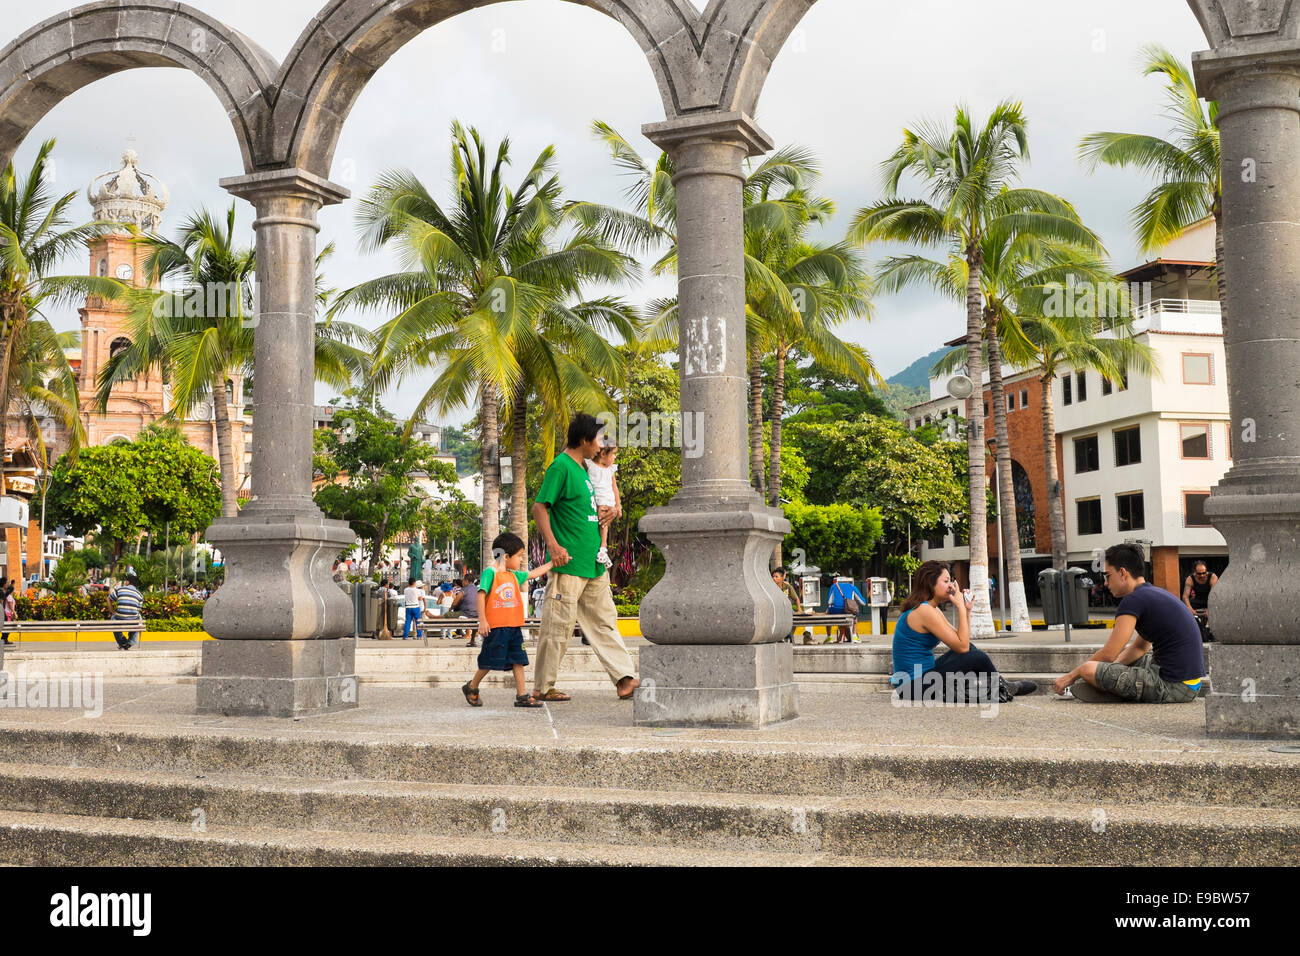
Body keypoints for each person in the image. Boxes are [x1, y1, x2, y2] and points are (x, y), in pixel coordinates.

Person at [531, 413, 640, 702]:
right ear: (584, 440)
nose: (601, 445)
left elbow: (593, 507)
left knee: (605, 622)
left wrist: (611, 512)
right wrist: (553, 546)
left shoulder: (585, 470)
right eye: (599, 439)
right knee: (558, 626)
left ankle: (624, 678)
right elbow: (539, 507)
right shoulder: (562, 467)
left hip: (593, 562)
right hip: (569, 563)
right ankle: (542, 687)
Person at [1053, 543, 1205, 703]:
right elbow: (1140, 648)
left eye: (1108, 576)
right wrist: (1110, 671)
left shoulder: (1133, 600)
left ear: (1123, 573)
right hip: (1190, 685)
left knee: (1087, 668)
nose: (1106, 583)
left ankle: (1111, 689)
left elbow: (1108, 654)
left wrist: (1070, 677)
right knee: (1116, 662)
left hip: (1173, 686)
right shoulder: (1153, 593)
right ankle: (1111, 686)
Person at [891, 561, 1036, 702]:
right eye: (946, 581)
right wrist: (960, 607)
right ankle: (1002, 687)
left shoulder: (930, 609)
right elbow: (962, 646)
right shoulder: (924, 611)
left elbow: (962, 641)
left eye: (951, 581)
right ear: (930, 583)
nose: (951, 586)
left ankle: (1001, 685)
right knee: (978, 657)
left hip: (922, 679)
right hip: (912, 686)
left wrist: (966, 610)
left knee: (972, 650)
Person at [461, 532, 554, 709]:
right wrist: (482, 621)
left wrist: (552, 563)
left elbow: (533, 574)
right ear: (506, 556)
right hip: (496, 628)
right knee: (489, 660)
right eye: (519, 556)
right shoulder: (491, 573)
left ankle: (522, 696)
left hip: (513, 628)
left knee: (518, 659)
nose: (520, 560)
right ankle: (471, 686)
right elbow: (481, 595)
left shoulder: (513, 575)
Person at [585, 439, 621, 569]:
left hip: (606, 500)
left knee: (604, 524)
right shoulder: (588, 465)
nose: (615, 457)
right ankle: (601, 550)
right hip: (594, 500)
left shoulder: (610, 469)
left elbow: (614, 488)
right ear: (603, 454)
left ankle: (603, 548)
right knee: (598, 523)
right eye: (613, 453)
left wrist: (618, 506)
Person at [1182, 561, 1218, 642]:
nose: (1201, 575)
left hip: (1211, 599)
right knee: (1184, 608)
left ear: (1206, 571)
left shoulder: (1212, 577)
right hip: (1197, 599)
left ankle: (1214, 631)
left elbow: (1214, 596)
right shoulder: (1190, 579)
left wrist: (1210, 609)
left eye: (1203, 573)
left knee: (1218, 607)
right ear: (1195, 572)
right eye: (1199, 574)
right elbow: (1185, 596)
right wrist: (1189, 608)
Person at [826, 576, 866, 644]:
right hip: (848, 610)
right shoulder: (853, 587)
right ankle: (854, 636)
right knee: (855, 613)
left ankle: (829, 637)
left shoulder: (834, 586)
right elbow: (863, 603)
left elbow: (829, 601)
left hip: (836, 610)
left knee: (827, 612)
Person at [110, 574, 144, 650]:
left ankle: (122, 642)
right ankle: (130, 642)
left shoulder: (120, 589)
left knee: (113, 618)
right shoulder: (140, 595)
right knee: (139, 617)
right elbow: (138, 610)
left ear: (127, 582)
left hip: (120, 619)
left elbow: (108, 599)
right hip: (132, 620)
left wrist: (112, 611)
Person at [771, 566, 803, 644]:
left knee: (795, 619)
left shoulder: (787, 587)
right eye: (773, 577)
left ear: (782, 578)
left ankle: (789, 635)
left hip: (788, 609)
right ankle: (780, 636)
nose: (774, 578)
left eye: (776, 577)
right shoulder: (771, 588)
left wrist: (799, 609)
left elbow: (796, 599)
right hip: (776, 610)